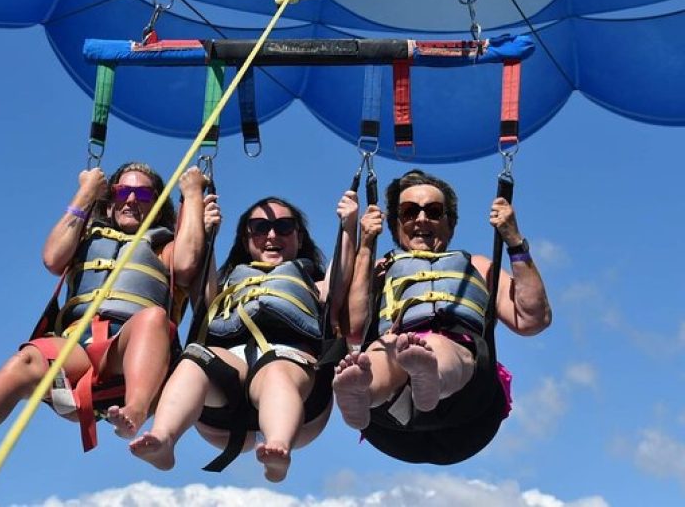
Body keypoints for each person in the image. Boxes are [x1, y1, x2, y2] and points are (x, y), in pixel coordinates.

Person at [0, 162, 212, 463]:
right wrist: (85, 193)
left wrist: (192, 196)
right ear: (109, 202)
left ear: (157, 206)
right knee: (25, 361)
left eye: (143, 194)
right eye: (122, 191)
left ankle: (134, 410)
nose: (131, 200)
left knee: (153, 318)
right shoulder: (86, 240)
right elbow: (53, 258)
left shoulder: (164, 248)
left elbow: (187, 264)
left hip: (129, 349)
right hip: (77, 348)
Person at [129, 192, 358, 482]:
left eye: (284, 227)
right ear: (246, 239)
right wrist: (207, 231)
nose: (272, 234)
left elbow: (340, 283)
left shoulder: (313, 283)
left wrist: (349, 228)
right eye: (260, 228)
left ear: (299, 238)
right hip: (229, 376)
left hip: (290, 365)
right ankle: (163, 438)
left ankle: (277, 447)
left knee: (276, 367)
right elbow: (204, 301)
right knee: (194, 359)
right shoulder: (229, 282)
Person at [333, 169, 551, 464]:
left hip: (466, 402)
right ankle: (362, 395)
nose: (421, 219)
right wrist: (367, 244)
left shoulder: (478, 266)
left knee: (433, 346)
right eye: (409, 211)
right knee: (377, 355)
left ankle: (428, 378)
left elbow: (532, 318)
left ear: (449, 225)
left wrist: (513, 241)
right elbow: (354, 329)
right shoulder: (381, 267)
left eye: (433, 211)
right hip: (392, 413)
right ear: (397, 225)